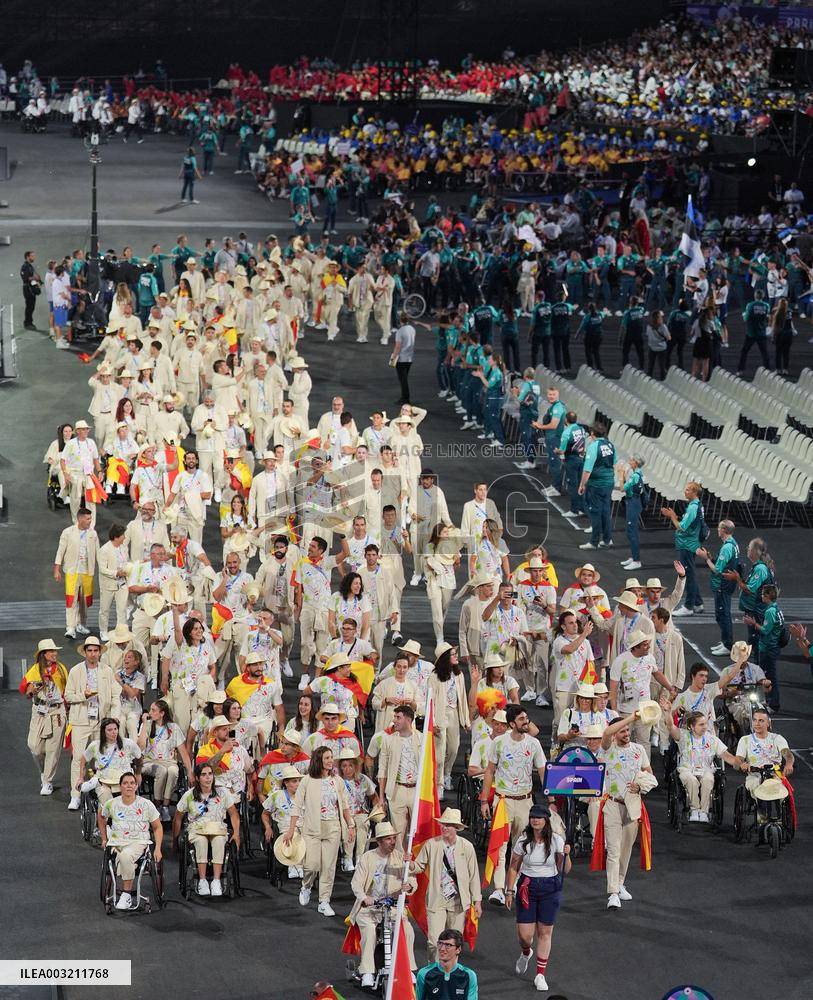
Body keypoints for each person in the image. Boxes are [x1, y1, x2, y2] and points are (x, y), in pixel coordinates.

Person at [480, 705, 547, 904]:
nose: (526, 721)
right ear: (511, 724)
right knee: (500, 846)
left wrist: (550, 799)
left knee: (521, 846)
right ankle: (499, 889)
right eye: (521, 719)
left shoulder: (534, 744)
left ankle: (514, 885)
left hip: (525, 801)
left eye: (526, 718)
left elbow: (543, 771)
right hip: (503, 801)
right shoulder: (499, 743)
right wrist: (485, 799)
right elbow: (489, 772)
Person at [506, 802, 570, 993]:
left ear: (546, 820)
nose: (535, 820)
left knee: (544, 933)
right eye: (533, 817)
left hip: (550, 887)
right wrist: (509, 891)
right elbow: (513, 866)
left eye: (539, 817)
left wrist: (566, 855)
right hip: (527, 886)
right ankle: (526, 952)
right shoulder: (523, 840)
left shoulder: (557, 841)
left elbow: (564, 869)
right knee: (525, 936)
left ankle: (540, 974)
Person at [283, 746, 355, 917]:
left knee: (328, 867)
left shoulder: (337, 781)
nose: (331, 761)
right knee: (311, 865)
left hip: (333, 828)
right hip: (312, 828)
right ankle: (306, 886)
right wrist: (291, 831)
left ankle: (324, 901)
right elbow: (297, 807)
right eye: (327, 758)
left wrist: (350, 825)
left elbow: (344, 805)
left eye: (331, 757)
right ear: (319, 760)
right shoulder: (307, 781)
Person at [596, 711, 655, 909]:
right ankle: (613, 893)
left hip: (633, 805)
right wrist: (631, 717)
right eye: (622, 731)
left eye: (628, 730)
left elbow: (649, 774)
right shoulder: (607, 748)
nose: (626, 733)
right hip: (612, 804)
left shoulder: (639, 750)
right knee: (613, 849)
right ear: (615, 734)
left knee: (625, 849)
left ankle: (620, 883)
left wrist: (641, 786)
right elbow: (605, 733)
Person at [349, 821, 417, 989]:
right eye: (388, 839)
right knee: (370, 931)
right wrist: (364, 897)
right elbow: (356, 884)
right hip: (369, 908)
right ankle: (367, 972)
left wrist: (409, 886)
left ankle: (408, 970)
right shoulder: (367, 858)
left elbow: (412, 878)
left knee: (407, 930)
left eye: (394, 838)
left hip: (393, 907)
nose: (393, 842)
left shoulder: (401, 857)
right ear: (379, 841)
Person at [412, 807, 482, 962]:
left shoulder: (467, 847)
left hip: (458, 900)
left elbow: (474, 875)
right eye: (442, 824)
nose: (444, 827)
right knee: (434, 940)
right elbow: (419, 866)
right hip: (437, 898)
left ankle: (449, 971)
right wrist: (409, 865)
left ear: (456, 828)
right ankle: (435, 970)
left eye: (448, 825)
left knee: (453, 942)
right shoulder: (432, 844)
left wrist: (477, 900)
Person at [64, 635, 119, 810]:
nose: (93, 654)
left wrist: (114, 717)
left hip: (101, 721)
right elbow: (68, 696)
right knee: (78, 758)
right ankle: (75, 794)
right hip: (81, 720)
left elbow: (115, 695)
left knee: (99, 758)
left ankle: (98, 791)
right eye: (90, 650)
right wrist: (83, 696)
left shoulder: (107, 671)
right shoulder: (75, 671)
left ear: (100, 653)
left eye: (96, 651)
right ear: (85, 652)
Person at [173, 761, 240, 897]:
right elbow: (178, 817)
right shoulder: (189, 795)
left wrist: (237, 834)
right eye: (204, 775)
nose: (208, 777)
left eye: (210, 774)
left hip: (217, 828)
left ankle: (216, 881)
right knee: (201, 841)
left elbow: (234, 814)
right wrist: (175, 840)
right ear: (198, 778)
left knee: (219, 840)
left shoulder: (222, 792)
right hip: (197, 829)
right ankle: (202, 880)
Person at [98, 772, 162, 911]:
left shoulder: (146, 804)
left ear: (136, 786)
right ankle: (127, 884)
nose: (129, 786)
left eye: (132, 783)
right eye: (125, 783)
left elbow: (157, 827)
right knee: (123, 855)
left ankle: (126, 894)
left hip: (138, 841)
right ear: (120, 786)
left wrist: (157, 849)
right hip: (117, 842)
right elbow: (101, 817)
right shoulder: (111, 804)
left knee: (125, 855)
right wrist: (104, 838)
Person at [663, 709, 737, 823]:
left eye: (705, 724)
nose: (705, 727)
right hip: (687, 768)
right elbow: (670, 726)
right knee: (691, 780)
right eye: (701, 724)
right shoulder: (683, 736)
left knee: (708, 779)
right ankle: (694, 810)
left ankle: (704, 811)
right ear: (691, 727)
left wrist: (741, 764)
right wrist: (667, 712)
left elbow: (728, 756)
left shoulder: (712, 739)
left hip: (706, 769)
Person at [20, 638, 68, 795]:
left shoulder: (61, 669)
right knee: (35, 747)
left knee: (52, 750)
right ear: (43, 654)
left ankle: (47, 781)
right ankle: (44, 772)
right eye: (51, 651)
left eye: (55, 651)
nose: (55, 653)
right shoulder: (34, 670)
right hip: (39, 712)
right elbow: (25, 690)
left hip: (57, 712)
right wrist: (31, 690)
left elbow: (68, 690)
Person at [137, 698, 193, 822]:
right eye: (150, 710)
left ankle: (165, 806)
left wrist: (190, 772)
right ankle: (157, 806)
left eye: (153, 710)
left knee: (173, 771)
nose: (150, 713)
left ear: (162, 713)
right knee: (161, 770)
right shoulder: (146, 726)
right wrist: (145, 723)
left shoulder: (173, 728)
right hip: (149, 761)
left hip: (169, 761)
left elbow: (183, 752)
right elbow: (140, 746)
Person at [378, 703, 423, 844]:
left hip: (417, 789)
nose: (394, 721)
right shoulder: (388, 740)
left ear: (408, 720)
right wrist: (381, 797)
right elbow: (382, 769)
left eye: (398, 717)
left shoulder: (422, 739)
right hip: (397, 790)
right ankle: (399, 863)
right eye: (394, 717)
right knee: (398, 832)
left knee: (417, 830)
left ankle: (415, 863)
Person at [661, 481, 705, 616]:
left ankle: (689, 606)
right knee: (690, 572)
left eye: (687, 490)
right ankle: (698, 603)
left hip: (687, 544)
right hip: (689, 543)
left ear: (695, 493)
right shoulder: (695, 506)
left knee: (688, 575)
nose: (685, 492)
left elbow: (681, 527)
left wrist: (672, 517)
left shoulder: (693, 508)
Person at [697, 519, 740, 656]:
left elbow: (717, 570)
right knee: (721, 614)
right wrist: (711, 557)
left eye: (720, 528)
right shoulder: (732, 544)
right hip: (726, 583)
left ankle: (728, 645)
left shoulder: (727, 547)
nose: (718, 530)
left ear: (724, 531)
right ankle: (725, 641)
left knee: (723, 615)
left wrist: (706, 559)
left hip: (723, 584)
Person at [80, 716, 142, 807]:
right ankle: (106, 818)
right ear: (103, 732)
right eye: (110, 730)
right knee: (107, 802)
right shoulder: (95, 746)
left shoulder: (128, 743)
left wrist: (138, 774)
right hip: (103, 781)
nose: (114, 732)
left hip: (124, 781)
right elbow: (83, 760)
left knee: (127, 804)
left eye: (115, 729)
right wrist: (81, 778)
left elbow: (139, 757)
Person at [734, 708, 795, 799]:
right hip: (755, 775)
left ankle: (779, 812)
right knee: (754, 786)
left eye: (761, 721)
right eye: (754, 720)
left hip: (774, 774)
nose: (757, 724)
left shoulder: (777, 738)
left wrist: (789, 764)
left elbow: (787, 754)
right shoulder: (745, 740)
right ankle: (761, 812)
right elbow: (738, 760)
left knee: (782, 793)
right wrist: (742, 764)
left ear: (768, 723)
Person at [743, 584, 785, 713]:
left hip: (768, 647)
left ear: (767, 596)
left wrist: (753, 623)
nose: (761, 596)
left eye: (762, 594)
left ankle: (773, 704)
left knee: (769, 676)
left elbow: (766, 630)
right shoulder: (776, 609)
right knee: (768, 675)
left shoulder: (770, 611)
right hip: (773, 646)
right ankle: (770, 701)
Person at [577, 423, 616, 551]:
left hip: (596, 485)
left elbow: (587, 469)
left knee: (595, 512)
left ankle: (594, 542)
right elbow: (614, 463)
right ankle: (607, 539)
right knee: (605, 511)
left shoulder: (594, 446)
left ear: (592, 434)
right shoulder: (610, 445)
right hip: (608, 483)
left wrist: (582, 484)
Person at [415, 929, 478, 1000]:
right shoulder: (423, 974)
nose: (442, 949)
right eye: (440, 943)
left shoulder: (469, 976)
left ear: (458, 949)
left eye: (448, 945)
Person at [391, 312, 416, 405]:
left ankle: (405, 399)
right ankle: (404, 397)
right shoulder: (412, 329)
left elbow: (397, 347)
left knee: (403, 380)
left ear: (400, 320)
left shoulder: (400, 331)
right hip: (410, 358)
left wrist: (393, 357)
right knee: (404, 379)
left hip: (401, 359)